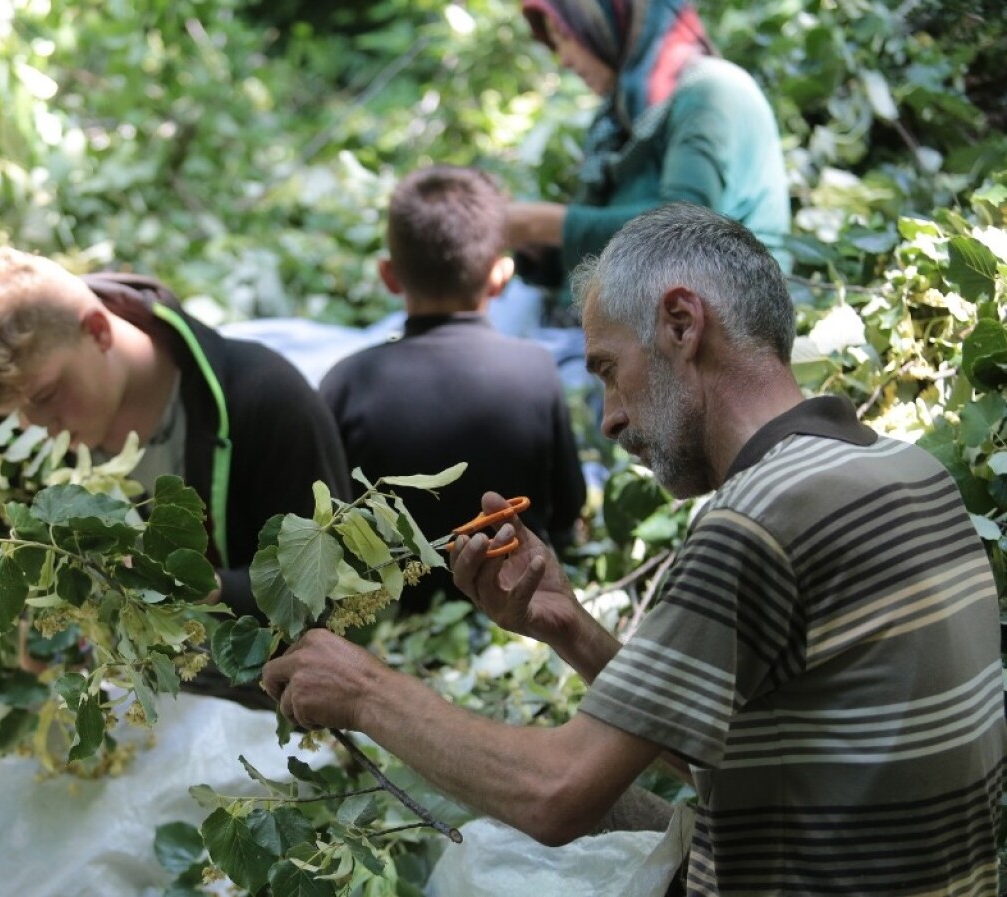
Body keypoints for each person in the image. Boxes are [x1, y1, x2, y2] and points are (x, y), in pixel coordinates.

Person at [261, 204, 1005, 896]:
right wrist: (570, 627)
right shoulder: (908, 471)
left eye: (609, 370)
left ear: (682, 323)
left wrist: (364, 689)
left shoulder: (760, 519)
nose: (612, 420)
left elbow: (555, 794)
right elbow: (751, 750)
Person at [0, 246, 353, 619]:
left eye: (45, 394)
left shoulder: (265, 400)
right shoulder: (10, 437)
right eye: (8, 413)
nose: (31, 427)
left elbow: (329, 594)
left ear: (97, 330)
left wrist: (204, 589)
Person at [319, 165, 584, 614]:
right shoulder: (535, 370)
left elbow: (322, 532)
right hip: (515, 611)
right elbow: (566, 513)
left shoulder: (346, 381)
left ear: (389, 276)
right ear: (501, 276)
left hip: (385, 616)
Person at [504, 0, 790, 328]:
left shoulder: (711, 92)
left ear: (607, 20)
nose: (563, 58)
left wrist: (541, 224)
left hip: (726, 326)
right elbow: (603, 249)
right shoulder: (620, 117)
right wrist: (539, 247)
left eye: (564, 36)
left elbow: (684, 233)